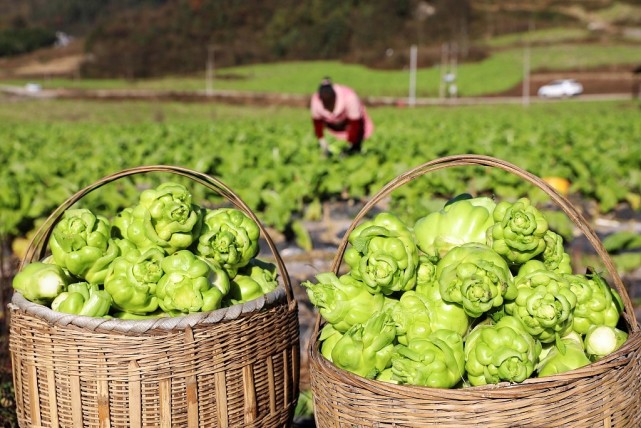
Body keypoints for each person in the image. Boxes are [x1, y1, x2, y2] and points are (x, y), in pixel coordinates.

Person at [310, 77, 374, 155]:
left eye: (329, 101)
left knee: (356, 145)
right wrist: (323, 143)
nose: (327, 105)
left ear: (334, 97)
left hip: (352, 125)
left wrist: (351, 145)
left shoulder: (349, 97)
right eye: (325, 102)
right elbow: (317, 125)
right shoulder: (316, 100)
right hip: (334, 127)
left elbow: (355, 124)